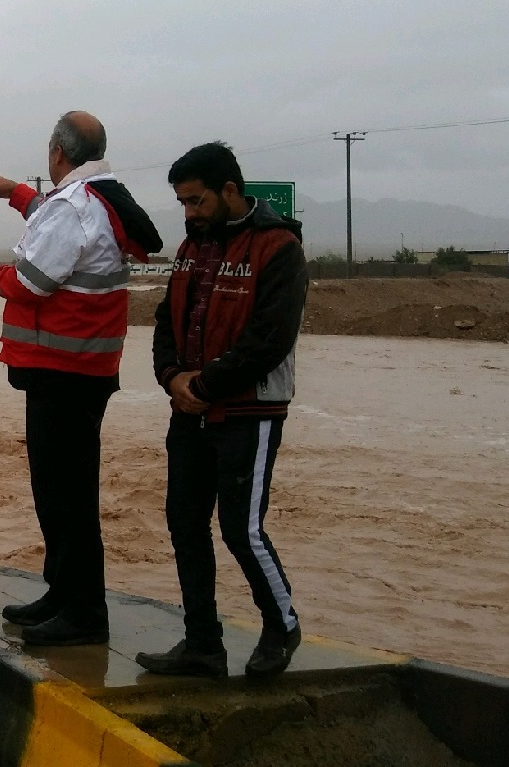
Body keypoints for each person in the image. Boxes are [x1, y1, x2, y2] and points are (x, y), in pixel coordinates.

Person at [0, 111, 162, 646]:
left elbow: (32, 279)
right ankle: (63, 593)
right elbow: (58, 226)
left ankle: (84, 613)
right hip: (78, 369)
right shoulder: (95, 199)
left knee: (67, 496)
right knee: (56, 489)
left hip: (65, 372)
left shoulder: (75, 206)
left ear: (58, 152)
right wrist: (16, 195)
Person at [136, 141, 308, 679]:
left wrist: (205, 385)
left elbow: (268, 339)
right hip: (188, 409)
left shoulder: (279, 249)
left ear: (229, 191)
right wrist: (172, 378)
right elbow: (168, 320)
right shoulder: (193, 247)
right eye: (182, 202)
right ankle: (202, 644)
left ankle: (282, 627)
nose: (188, 212)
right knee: (185, 522)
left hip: (248, 413)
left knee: (242, 529)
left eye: (195, 200)